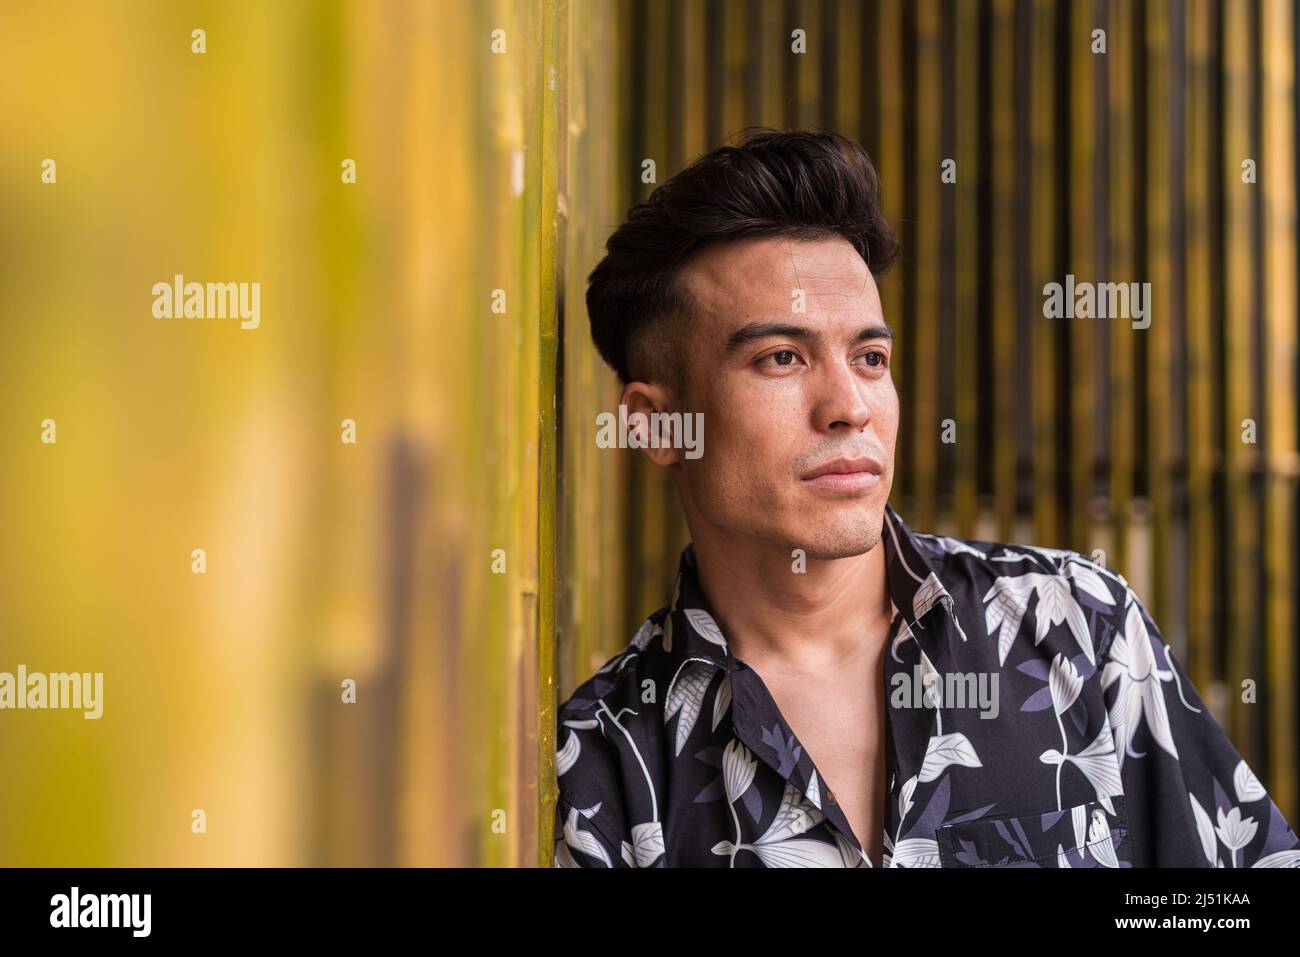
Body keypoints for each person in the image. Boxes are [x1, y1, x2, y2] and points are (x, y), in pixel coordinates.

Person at [553, 127, 1300, 868]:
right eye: (782, 357)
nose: (850, 406)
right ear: (657, 425)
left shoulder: (1073, 623)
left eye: (870, 357)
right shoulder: (609, 765)